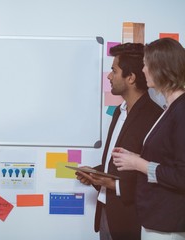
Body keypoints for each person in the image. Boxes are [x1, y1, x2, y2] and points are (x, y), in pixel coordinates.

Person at [75, 43, 163, 240]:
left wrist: (115, 185)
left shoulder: (155, 117)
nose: (109, 76)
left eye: (114, 71)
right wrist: (95, 174)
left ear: (130, 78)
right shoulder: (118, 111)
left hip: (131, 220)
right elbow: (118, 165)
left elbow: (157, 174)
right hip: (106, 212)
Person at [112, 38, 185, 240]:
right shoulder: (170, 109)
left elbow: (182, 175)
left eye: (146, 64)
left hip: (168, 223)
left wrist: (138, 163)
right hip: (156, 220)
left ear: (160, 67)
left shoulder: (181, 110)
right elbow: (166, 159)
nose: (143, 70)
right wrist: (135, 157)